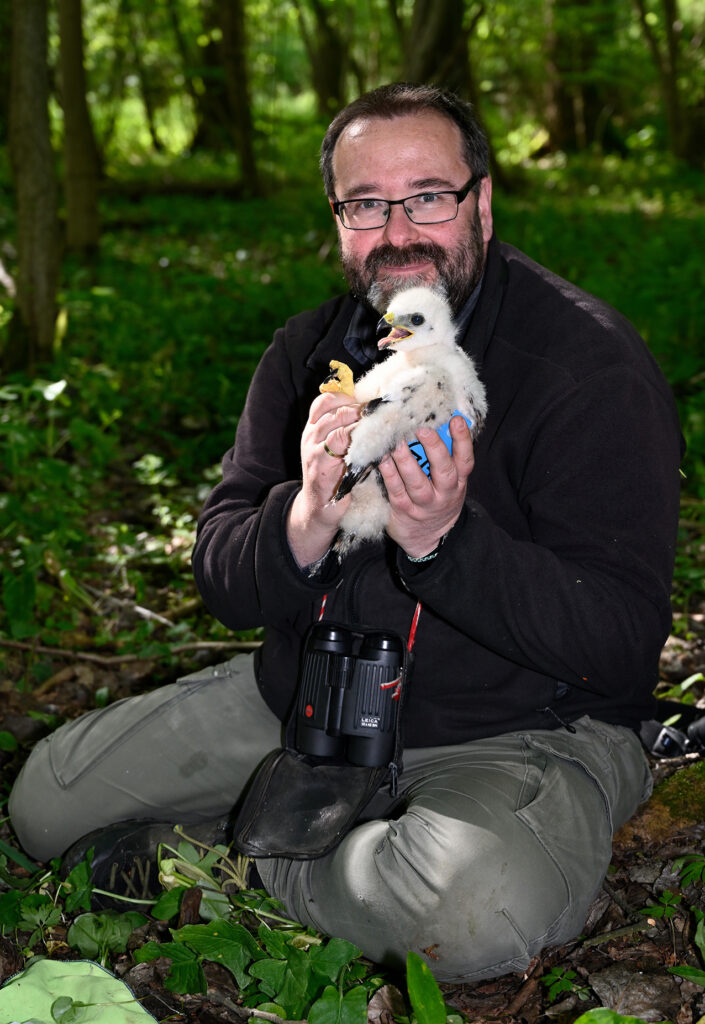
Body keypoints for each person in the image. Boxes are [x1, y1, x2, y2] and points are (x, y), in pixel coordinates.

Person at [9, 83, 682, 983]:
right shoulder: (305, 356)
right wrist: (303, 518)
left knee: (469, 913)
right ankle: (310, 834)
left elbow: (623, 644)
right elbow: (220, 568)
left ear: (479, 201)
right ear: (337, 218)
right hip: (308, 701)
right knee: (43, 807)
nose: (397, 230)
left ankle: (227, 855)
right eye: (365, 203)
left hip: (517, 725)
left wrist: (445, 542)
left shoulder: (583, 365)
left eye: (427, 196)